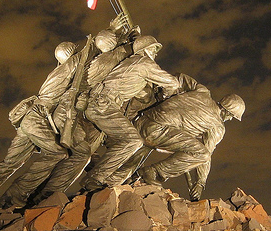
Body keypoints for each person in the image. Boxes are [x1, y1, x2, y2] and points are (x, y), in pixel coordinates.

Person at [0, 15, 128, 213]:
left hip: (29, 118)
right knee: (58, 153)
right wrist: (111, 30)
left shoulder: (56, 72)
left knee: (9, 163)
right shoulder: (66, 70)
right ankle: (17, 194)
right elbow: (84, 55)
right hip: (35, 117)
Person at [104, 74, 245, 201]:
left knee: (128, 167)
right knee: (201, 154)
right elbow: (205, 157)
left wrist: (167, 95)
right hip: (157, 132)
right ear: (227, 112)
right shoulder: (217, 126)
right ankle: (153, 172)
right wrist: (200, 183)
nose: (231, 120)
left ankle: (105, 185)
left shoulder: (202, 91)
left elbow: (179, 78)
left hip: (142, 121)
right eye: (232, 116)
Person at [80, 35, 181, 191]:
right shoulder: (144, 63)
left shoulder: (130, 62)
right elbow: (173, 83)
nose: (155, 53)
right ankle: (94, 178)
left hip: (103, 103)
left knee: (120, 144)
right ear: (144, 50)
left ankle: (108, 179)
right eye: (154, 49)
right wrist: (165, 96)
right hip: (104, 104)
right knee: (132, 140)